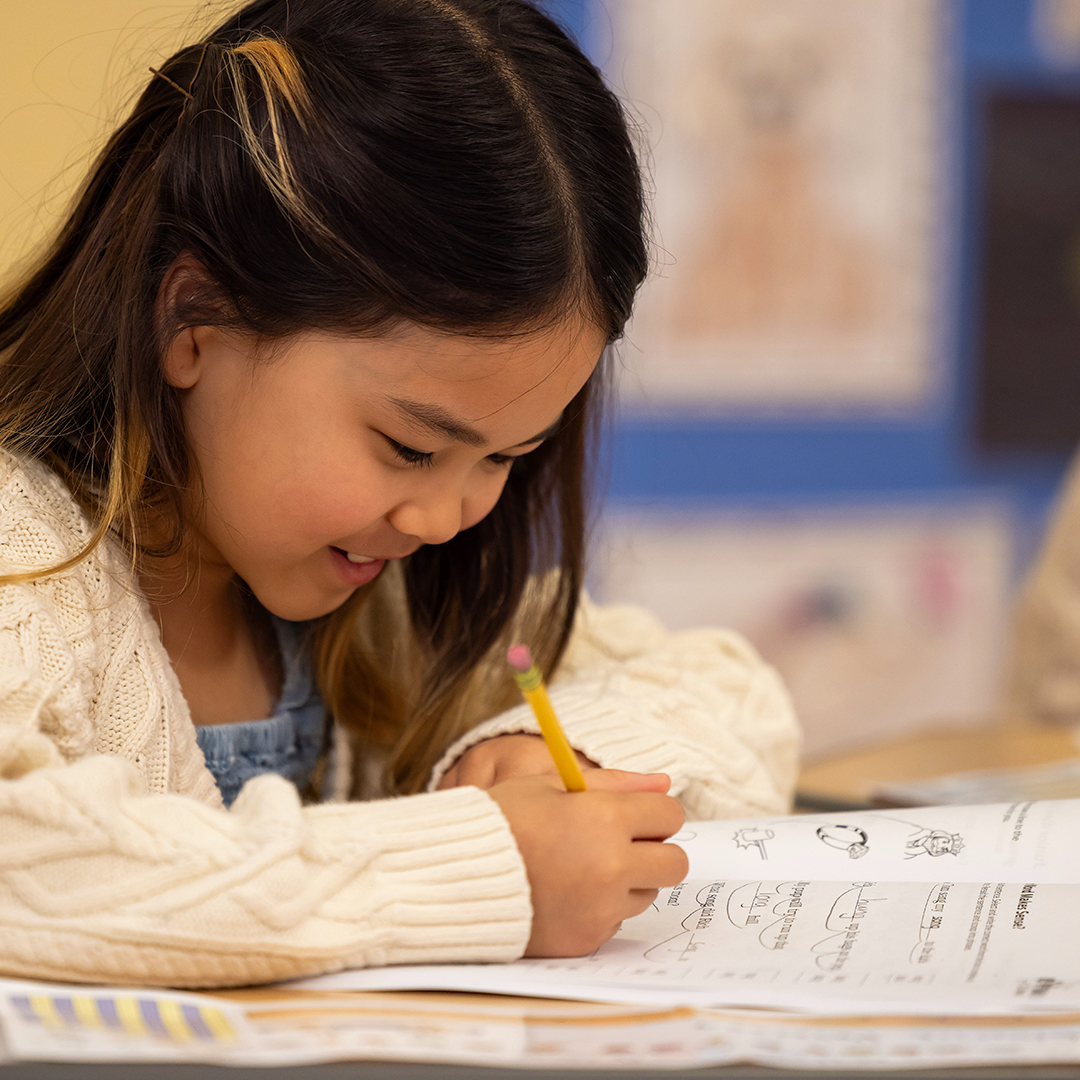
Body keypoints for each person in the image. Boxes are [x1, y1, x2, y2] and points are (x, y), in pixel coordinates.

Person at [0, 0, 799, 989]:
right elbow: (25, 869)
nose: (448, 518)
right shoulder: (25, 554)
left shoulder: (397, 594)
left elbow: (739, 699)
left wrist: (551, 754)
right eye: (411, 446)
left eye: (509, 457)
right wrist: (478, 866)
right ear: (193, 319)